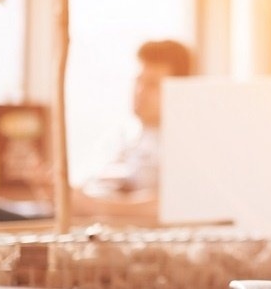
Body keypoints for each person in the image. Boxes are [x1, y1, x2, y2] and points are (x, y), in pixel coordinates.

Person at [69, 39, 192, 223]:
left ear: (179, 91)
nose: (139, 92)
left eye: (152, 85)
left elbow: (176, 205)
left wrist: (93, 206)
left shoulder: (187, 145)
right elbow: (93, 188)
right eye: (138, 81)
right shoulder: (124, 137)